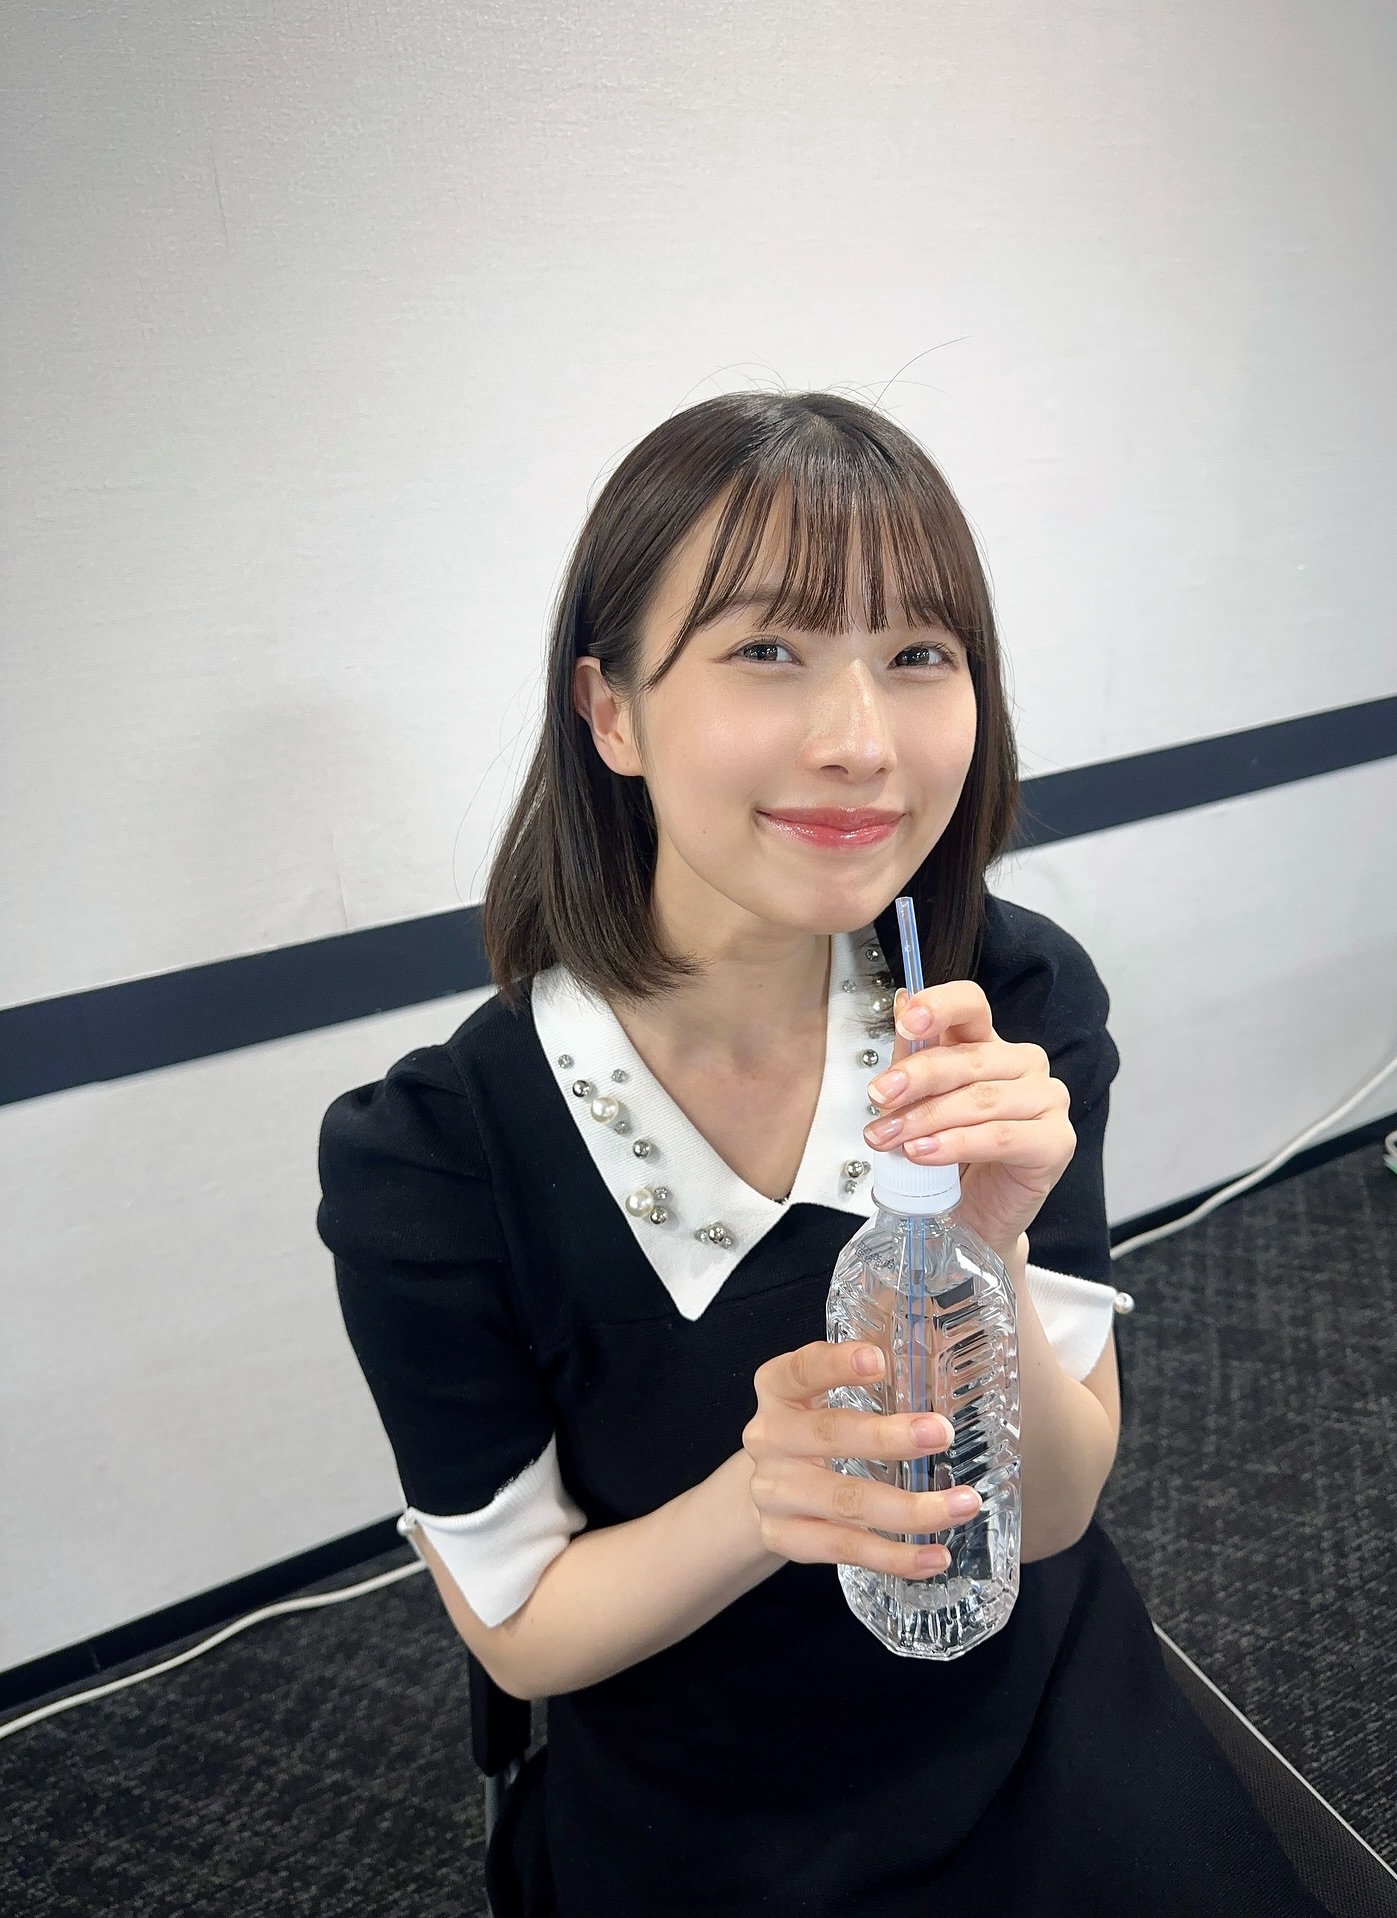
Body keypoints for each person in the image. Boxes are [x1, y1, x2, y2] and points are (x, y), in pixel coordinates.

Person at [316, 392, 1325, 1916]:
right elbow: (520, 1629)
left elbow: (1056, 1508)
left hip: (1034, 1712)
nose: (862, 743)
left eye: (918, 653)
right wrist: (762, 1497)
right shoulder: (438, 1158)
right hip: (705, 1796)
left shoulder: (1006, 1004)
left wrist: (983, 1245)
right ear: (611, 711)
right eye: (769, 649)